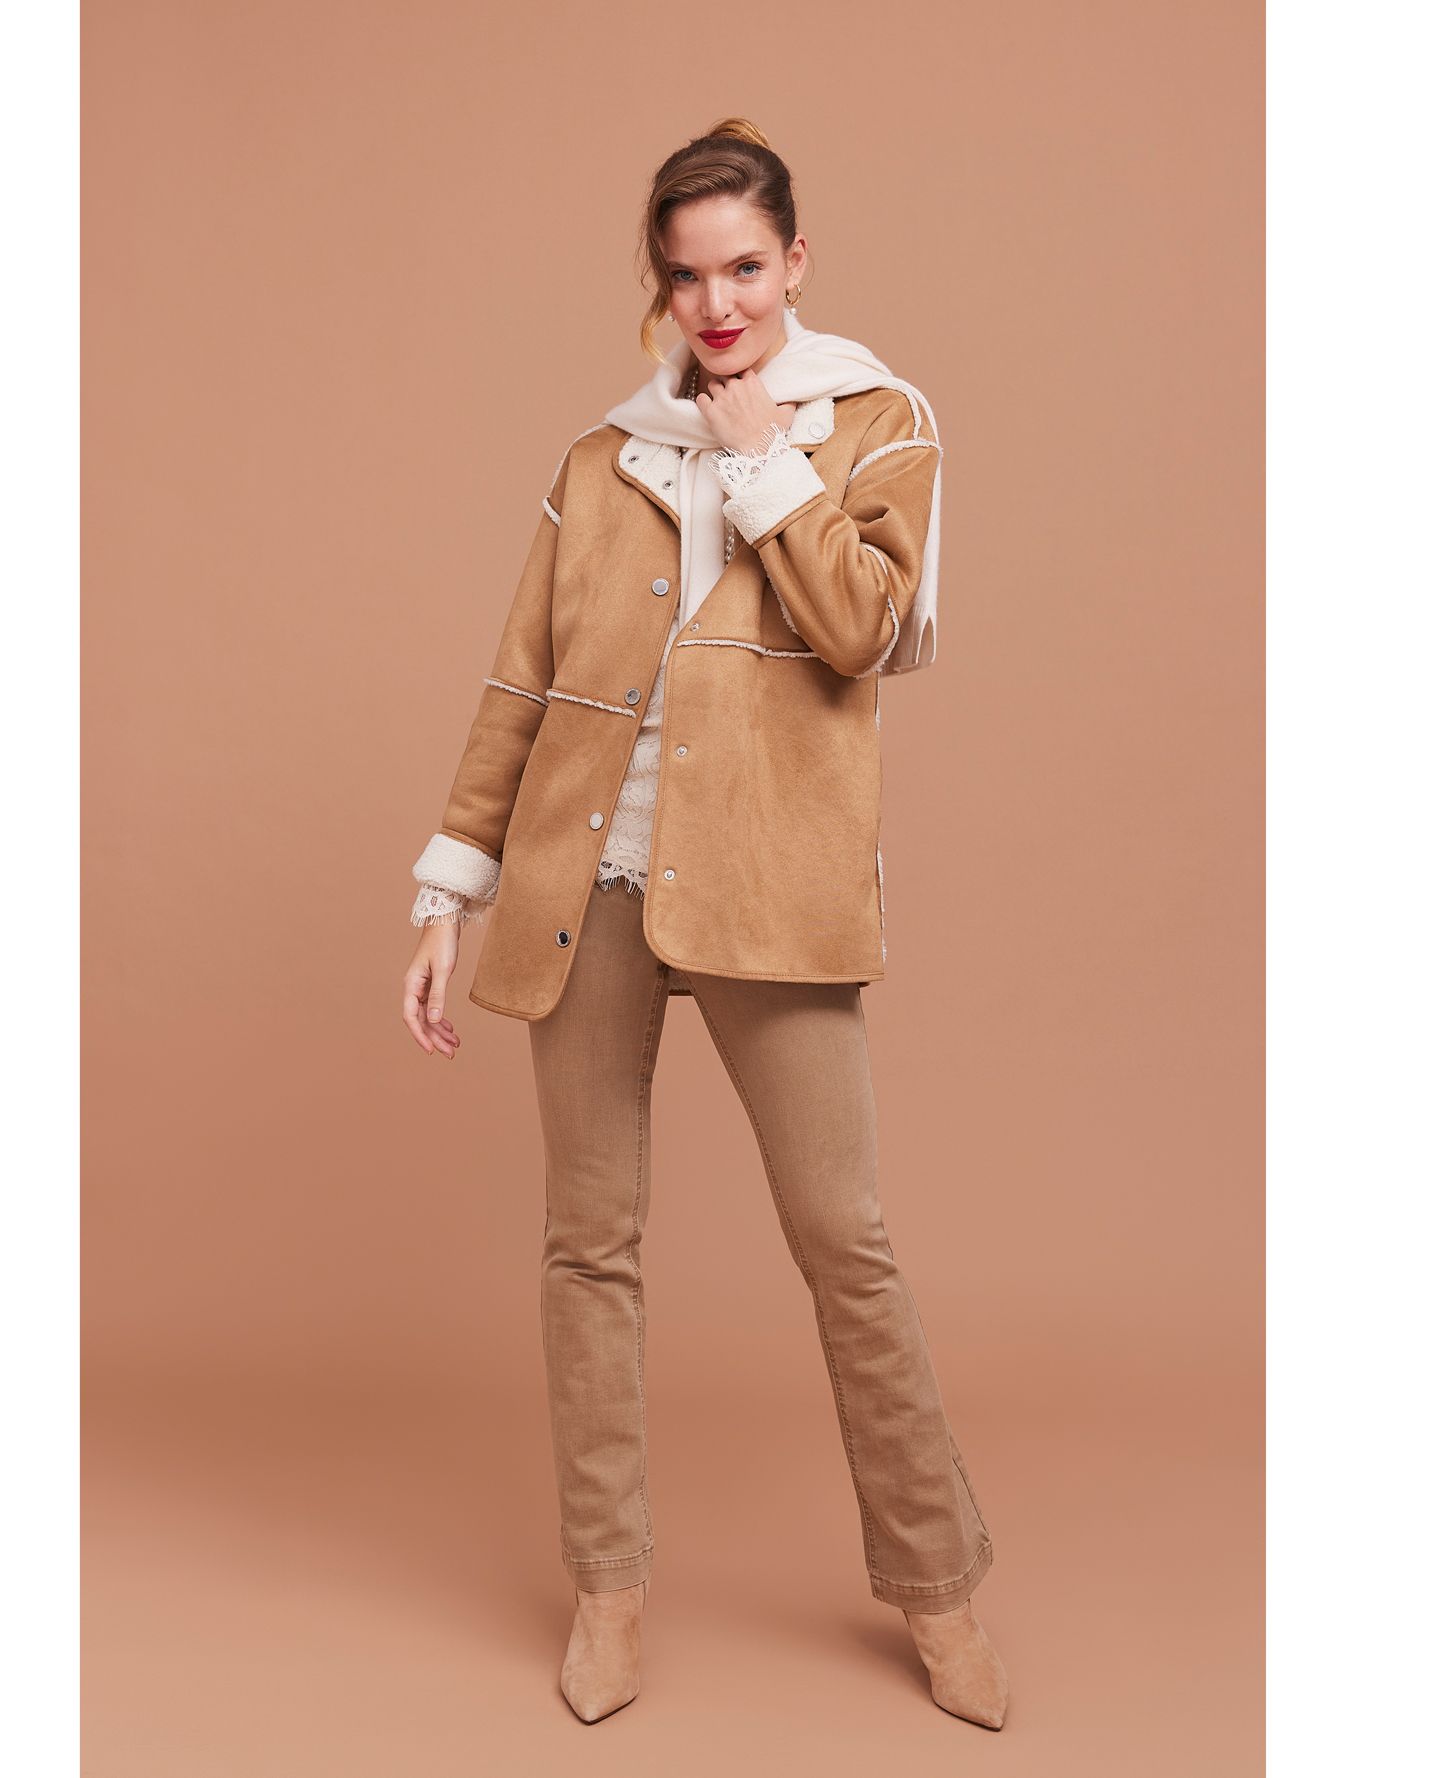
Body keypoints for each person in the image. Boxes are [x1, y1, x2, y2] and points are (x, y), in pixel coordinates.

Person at [398, 118, 1008, 1730]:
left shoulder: (877, 423)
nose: (719, 305)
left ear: (796, 262)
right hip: (586, 882)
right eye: (688, 276)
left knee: (844, 1239)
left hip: (768, 885)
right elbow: (522, 677)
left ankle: (939, 1585)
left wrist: (760, 459)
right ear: (659, 285)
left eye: (745, 268)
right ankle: (608, 1588)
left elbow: (862, 626)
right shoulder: (600, 458)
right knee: (586, 1243)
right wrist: (452, 887)